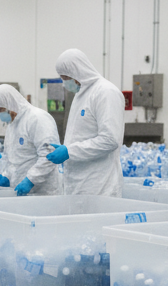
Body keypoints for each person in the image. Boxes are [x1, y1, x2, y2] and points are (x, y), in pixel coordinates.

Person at [45, 50, 125, 197]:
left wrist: (70, 152)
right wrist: (66, 148)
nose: (64, 83)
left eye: (66, 78)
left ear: (77, 72)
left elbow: (110, 140)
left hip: (99, 186)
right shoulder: (81, 94)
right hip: (78, 184)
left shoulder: (106, 92)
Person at [0, 84, 62, 196]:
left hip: (43, 193)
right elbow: (13, 159)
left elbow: (49, 156)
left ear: (11, 104)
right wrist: (6, 177)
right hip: (20, 192)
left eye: (1, 110)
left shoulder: (38, 118)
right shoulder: (12, 125)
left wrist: (30, 180)